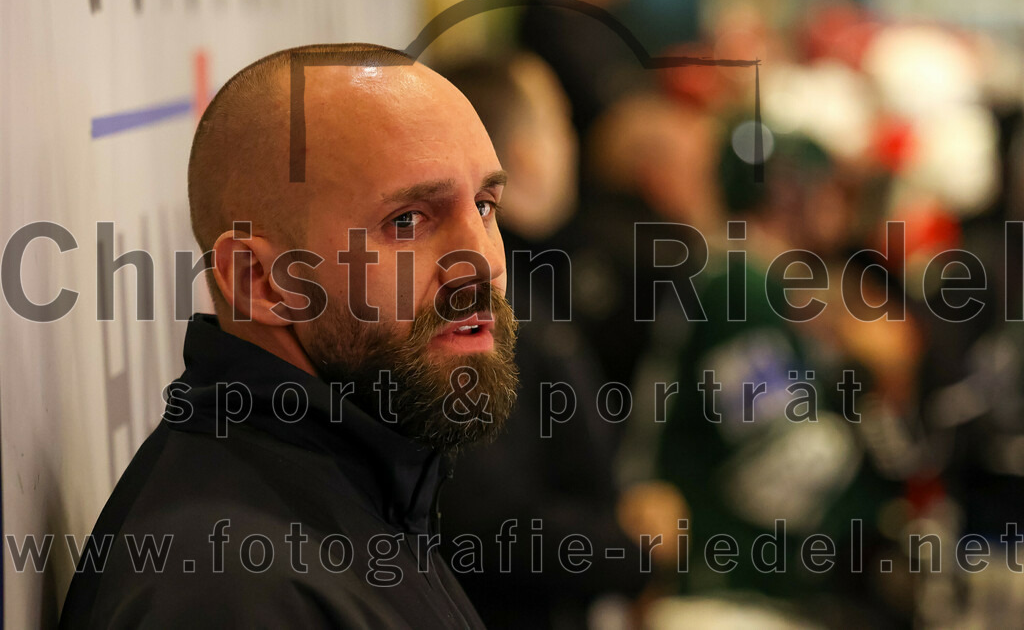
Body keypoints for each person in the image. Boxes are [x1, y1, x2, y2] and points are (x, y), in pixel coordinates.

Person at [59, 43, 519, 629]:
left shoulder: (370, 485)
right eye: (407, 221)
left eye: (484, 206)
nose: (480, 263)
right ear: (262, 282)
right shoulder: (232, 595)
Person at [436, 55, 685, 629]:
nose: (573, 147)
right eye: (562, 124)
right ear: (526, 155)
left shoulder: (530, 278)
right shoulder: (484, 300)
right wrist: (632, 544)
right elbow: (485, 523)